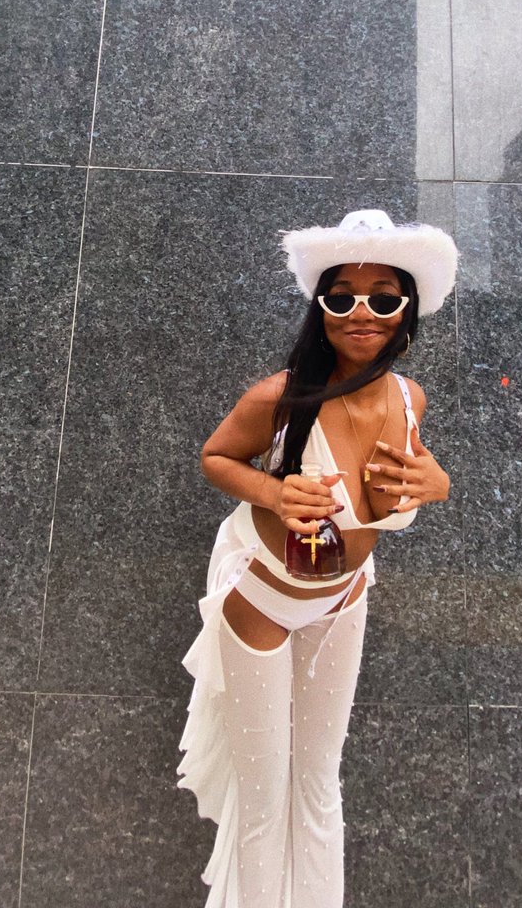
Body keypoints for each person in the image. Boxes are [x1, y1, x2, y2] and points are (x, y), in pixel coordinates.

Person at [178, 209, 458, 908]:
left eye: (383, 299)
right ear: (320, 309)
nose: (361, 312)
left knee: (319, 785)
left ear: (407, 311)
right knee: (264, 797)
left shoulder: (410, 399)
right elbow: (216, 457)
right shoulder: (279, 397)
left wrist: (440, 483)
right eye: (341, 297)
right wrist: (273, 493)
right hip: (263, 604)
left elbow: (403, 480)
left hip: (343, 599)